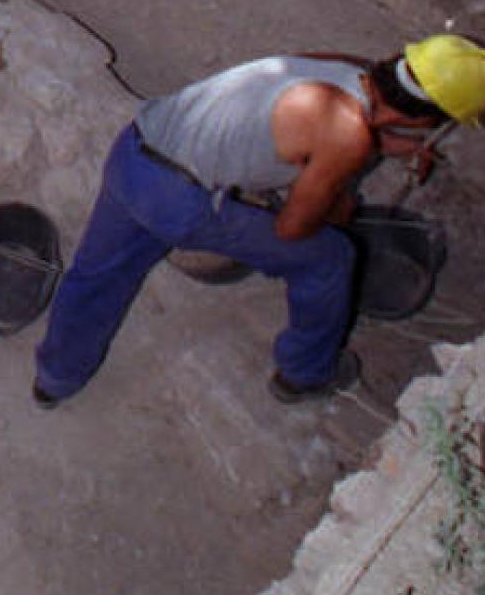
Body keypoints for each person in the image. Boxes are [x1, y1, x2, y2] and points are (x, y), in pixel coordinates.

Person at [33, 33, 483, 409]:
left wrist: (398, 148)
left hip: (135, 151)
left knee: (100, 271)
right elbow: (293, 227)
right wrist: (338, 208)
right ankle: (303, 374)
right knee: (330, 257)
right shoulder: (347, 135)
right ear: (425, 118)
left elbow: (329, 127)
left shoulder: (343, 70)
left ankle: (55, 379)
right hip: (178, 203)